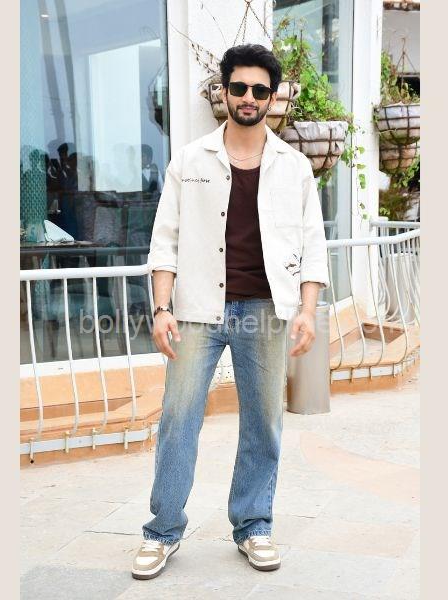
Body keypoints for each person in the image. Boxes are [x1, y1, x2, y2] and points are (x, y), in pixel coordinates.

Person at [132, 43, 330, 580]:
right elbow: (165, 241)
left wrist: (307, 311)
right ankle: (162, 531)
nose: (248, 97)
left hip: (264, 309)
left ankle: (253, 525)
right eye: (239, 87)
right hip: (197, 309)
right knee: (178, 419)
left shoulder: (294, 168)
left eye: (259, 90)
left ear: (273, 98)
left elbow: (313, 246)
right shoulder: (190, 160)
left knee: (263, 422)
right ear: (223, 92)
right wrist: (161, 307)